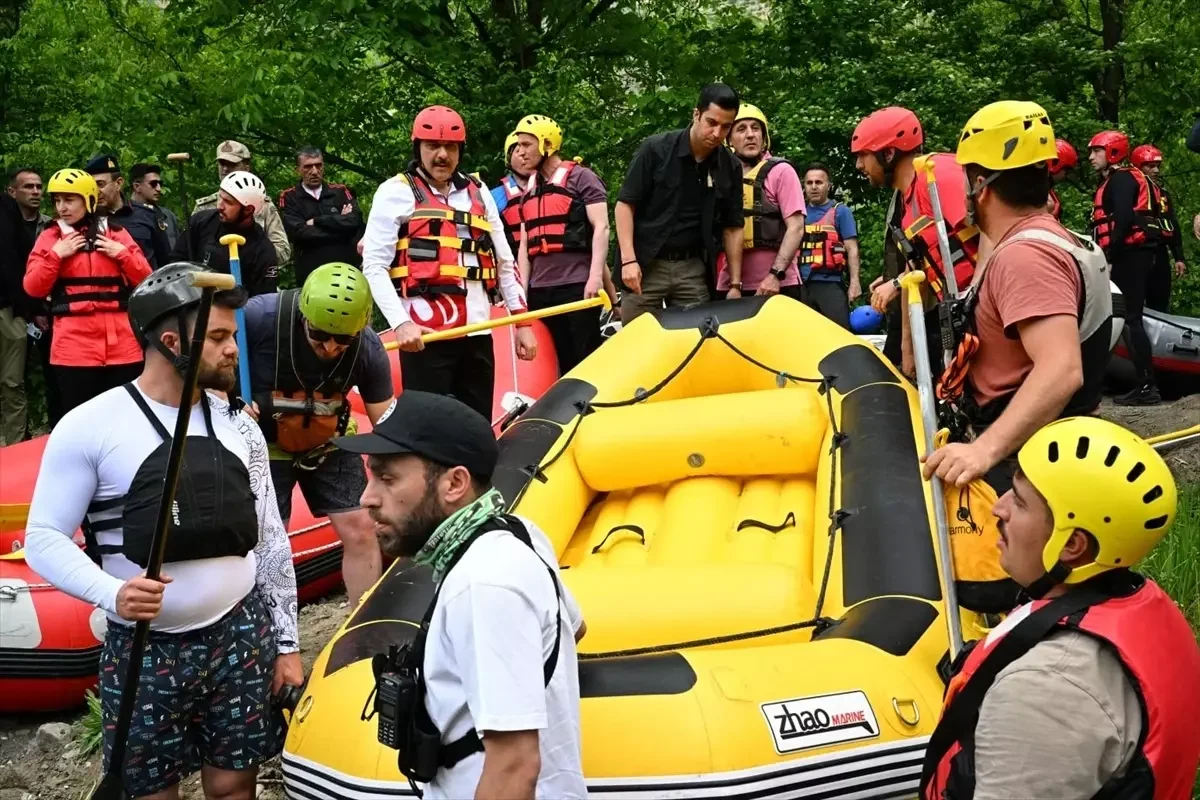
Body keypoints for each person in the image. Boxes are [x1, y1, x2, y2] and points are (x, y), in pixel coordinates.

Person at [24, 261, 301, 800]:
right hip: (145, 647)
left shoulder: (239, 425)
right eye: (217, 338)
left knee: (234, 785)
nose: (232, 350)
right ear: (171, 342)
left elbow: (270, 538)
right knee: (150, 792)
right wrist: (113, 594)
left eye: (233, 336)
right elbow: (43, 537)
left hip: (240, 634)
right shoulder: (90, 426)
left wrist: (287, 643)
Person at [920, 416, 1200, 800]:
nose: (998, 508)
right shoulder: (1142, 603)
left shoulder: (1045, 691)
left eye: (1019, 501)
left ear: (1071, 546)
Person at [335, 389, 585, 799]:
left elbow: (514, 766)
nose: (368, 497)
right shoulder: (518, 532)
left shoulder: (484, 583)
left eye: (388, 478)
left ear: (454, 483)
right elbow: (573, 627)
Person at [924, 100, 1112, 496]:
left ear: (980, 185)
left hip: (1024, 467)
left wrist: (983, 450)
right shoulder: (1049, 238)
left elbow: (1062, 369)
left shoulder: (1026, 258)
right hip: (1040, 455)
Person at [361, 105, 535, 421]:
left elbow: (505, 262)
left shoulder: (478, 192)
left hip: (478, 332)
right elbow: (374, 266)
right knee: (428, 427)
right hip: (425, 335)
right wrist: (401, 323)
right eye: (433, 146)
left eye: (450, 147)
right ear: (418, 148)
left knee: (477, 424)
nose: (442, 155)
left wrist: (522, 324)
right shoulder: (394, 192)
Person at [243, 263, 393, 606]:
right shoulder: (257, 318)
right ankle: (272, 625)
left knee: (362, 528)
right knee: (268, 540)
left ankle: (362, 622)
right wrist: (228, 397)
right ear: (303, 316)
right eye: (319, 334)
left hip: (329, 442)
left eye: (342, 340)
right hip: (265, 445)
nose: (329, 346)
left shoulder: (367, 348)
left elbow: (385, 420)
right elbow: (205, 362)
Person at [852, 106, 979, 375]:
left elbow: (994, 234)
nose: (859, 166)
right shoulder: (906, 204)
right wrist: (908, 351)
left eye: (863, 155)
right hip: (963, 314)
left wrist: (896, 283)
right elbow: (916, 274)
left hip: (989, 305)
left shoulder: (938, 174)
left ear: (888, 154)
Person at [24, 168, 152, 414]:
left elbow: (146, 279)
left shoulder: (116, 234)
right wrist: (56, 255)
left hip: (122, 346)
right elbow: (33, 287)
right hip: (73, 348)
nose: (62, 207)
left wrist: (122, 254)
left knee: (125, 416)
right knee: (79, 418)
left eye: (69, 200)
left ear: (89, 199)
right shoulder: (51, 237)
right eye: (57, 200)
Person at [615, 83, 745, 324]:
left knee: (697, 338)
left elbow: (733, 226)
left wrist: (735, 284)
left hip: (692, 268)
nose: (717, 133)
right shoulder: (655, 149)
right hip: (646, 264)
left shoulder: (730, 166)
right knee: (637, 339)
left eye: (726, 127)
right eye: (711, 122)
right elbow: (625, 205)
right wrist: (628, 261)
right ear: (696, 114)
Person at [514, 114, 611, 374]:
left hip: (576, 286)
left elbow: (601, 228)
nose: (520, 152)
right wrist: (522, 293)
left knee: (584, 359)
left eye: (526, 144)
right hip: (540, 291)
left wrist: (595, 278)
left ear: (547, 144)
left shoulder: (582, 178)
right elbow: (525, 246)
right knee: (551, 364)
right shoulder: (529, 189)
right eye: (518, 145)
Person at [1089, 130, 1162, 405]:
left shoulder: (1120, 179)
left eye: (1096, 151)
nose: (1091, 157)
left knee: (1131, 318)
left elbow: (1122, 220)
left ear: (1113, 152)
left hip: (1129, 255)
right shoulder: (1123, 178)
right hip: (1135, 254)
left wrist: (1109, 256)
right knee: (1129, 317)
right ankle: (1142, 382)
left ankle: (1147, 386)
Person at [714, 104, 805, 304]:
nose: (750, 134)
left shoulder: (782, 172)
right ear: (729, 139)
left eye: (755, 128)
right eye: (741, 129)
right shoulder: (721, 176)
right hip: (731, 285)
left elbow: (796, 228)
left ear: (764, 137)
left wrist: (775, 275)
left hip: (779, 283)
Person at [173, 171, 279, 296]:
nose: (220, 205)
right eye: (220, 197)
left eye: (228, 202)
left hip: (235, 307)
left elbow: (264, 301)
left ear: (248, 210)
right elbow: (175, 264)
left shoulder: (263, 251)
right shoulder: (201, 221)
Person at [193, 140, 291, 265]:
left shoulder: (263, 205)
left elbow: (283, 251)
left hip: (252, 274)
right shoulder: (204, 207)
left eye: (231, 164)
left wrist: (249, 255)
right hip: (211, 275)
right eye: (222, 163)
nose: (225, 169)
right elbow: (190, 249)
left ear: (246, 168)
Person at [278, 146, 365, 286]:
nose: (314, 171)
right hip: (311, 275)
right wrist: (341, 229)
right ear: (297, 170)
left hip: (347, 273)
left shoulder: (340, 191)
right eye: (308, 167)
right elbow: (298, 233)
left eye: (318, 165)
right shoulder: (290, 196)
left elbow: (355, 222)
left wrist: (318, 221)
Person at [801, 161, 862, 327]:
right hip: (801, 285)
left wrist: (855, 282)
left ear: (828, 185)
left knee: (838, 332)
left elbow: (852, 249)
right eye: (809, 183)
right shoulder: (798, 213)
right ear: (804, 186)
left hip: (831, 283)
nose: (814, 187)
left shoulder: (840, 211)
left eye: (819, 182)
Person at [85, 154, 172, 269]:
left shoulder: (147, 216)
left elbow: (166, 264)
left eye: (100, 184)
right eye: (91, 186)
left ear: (118, 183)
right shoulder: (86, 219)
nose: (95, 191)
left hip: (145, 279)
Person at [1130, 144, 1187, 312]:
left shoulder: (1163, 195)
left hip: (1159, 251)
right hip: (1136, 251)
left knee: (1160, 301)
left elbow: (1172, 224)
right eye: (1150, 166)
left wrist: (1179, 257)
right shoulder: (1129, 191)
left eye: (1157, 166)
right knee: (1134, 302)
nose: (1156, 171)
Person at [491, 131, 531, 256]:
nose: (524, 155)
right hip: (512, 263)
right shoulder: (493, 197)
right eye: (518, 151)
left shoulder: (550, 189)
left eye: (528, 150)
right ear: (508, 158)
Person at [129, 162, 180, 252]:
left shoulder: (168, 216)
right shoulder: (125, 216)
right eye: (153, 184)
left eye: (160, 183)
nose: (159, 189)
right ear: (137, 186)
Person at [1045, 138, 1077, 221]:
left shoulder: (1048, 191)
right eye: (1066, 170)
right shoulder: (1034, 190)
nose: (1065, 175)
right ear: (1056, 164)